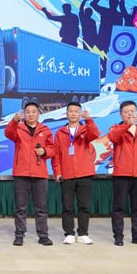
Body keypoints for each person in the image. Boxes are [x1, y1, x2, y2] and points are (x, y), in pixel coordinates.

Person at [4, 101, 56, 246]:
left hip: (40, 174)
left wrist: (44, 151)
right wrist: (14, 121)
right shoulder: (18, 128)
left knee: (41, 208)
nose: (31, 114)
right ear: (24, 114)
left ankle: (43, 236)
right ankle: (19, 235)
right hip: (21, 174)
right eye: (28, 112)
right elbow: (8, 133)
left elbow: (52, 149)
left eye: (34, 112)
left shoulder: (45, 130)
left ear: (38, 114)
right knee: (20, 208)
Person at [107, 100, 137, 246]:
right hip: (121, 174)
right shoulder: (116, 128)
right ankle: (118, 236)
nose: (130, 114)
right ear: (121, 115)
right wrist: (127, 125)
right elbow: (113, 137)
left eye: (132, 111)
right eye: (126, 112)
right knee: (119, 207)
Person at [52, 102, 100, 245]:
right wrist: (57, 172)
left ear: (80, 113)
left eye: (76, 111)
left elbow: (95, 134)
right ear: (66, 113)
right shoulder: (60, 133)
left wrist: (89, 120)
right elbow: (56, 155)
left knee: (84, 206)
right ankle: (69, 233)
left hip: (84, 174)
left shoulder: (86, 130)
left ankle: (83, 233)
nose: (73, 113)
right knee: (67, 207)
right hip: (67, 175)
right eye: (70, 111)